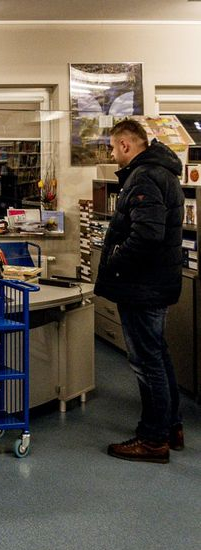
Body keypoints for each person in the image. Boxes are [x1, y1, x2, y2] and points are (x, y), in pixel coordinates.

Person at [97, 119, 185, 464]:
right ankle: (171, 426)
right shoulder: (163, 173)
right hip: (156, 283)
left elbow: (147, 234)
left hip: (142, 286)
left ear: (125, 145)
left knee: (146, 363)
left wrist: (115, 259)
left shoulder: (144, 176)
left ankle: (152, 439)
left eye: (112, 147)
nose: (111, 154)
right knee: (158, 356)